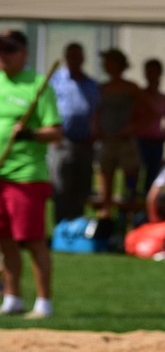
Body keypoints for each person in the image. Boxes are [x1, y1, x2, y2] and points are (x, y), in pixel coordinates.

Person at [0, 29, 62, 319]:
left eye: (10, 50)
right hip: (1, 174)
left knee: (32, 239)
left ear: (24, 53)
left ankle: (43, 302)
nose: (4, 55)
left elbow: (56, 131)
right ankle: (11, 297)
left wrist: (30, 134)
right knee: (4, 239)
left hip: (26, 176)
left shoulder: (38, 86)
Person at [47, 42, 98, 223]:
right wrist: (53, 135)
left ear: (83, 59)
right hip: (62, 141)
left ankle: (76, 224)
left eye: (78, 56)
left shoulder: (91, 84)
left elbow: (95, 111)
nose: (75, 60)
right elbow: (46, 106)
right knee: (61, 186)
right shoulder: (55, 80)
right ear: (66, 58)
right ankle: (61, 226)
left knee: (82, 185)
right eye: (71, 56)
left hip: (84, 142)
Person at [93, 48, 142, 214]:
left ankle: (129, 218)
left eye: (109, 61)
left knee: (130, 186)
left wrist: (133, 127)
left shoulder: (131, 88)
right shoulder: (101, 88)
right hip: (106, 141)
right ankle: (105, 221)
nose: (105, 65)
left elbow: (149, 112)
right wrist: (96, 128)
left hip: (125, 143)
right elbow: (96, 112)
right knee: (105, 185)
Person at [135, 58, 165, 193]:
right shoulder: (139, 96)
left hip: (157, 142)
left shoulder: (164, 98)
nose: (151, 75)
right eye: (148, 72)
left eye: (154, 72)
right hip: (140, 141)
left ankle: (150, 208)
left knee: (153, 178)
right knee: (135, 177)